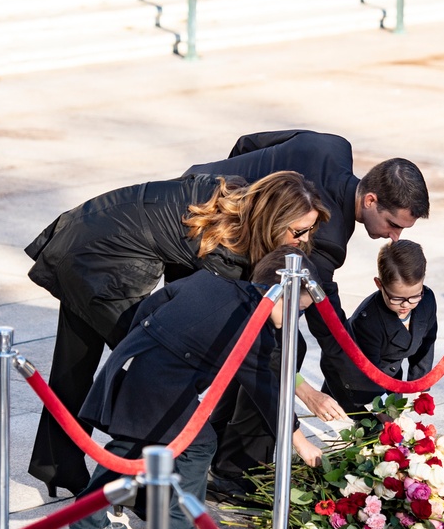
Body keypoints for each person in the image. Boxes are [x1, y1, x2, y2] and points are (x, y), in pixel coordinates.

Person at [24, 171, 329, 497]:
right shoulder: (227, 246)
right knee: (158, 372)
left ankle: (57, 464)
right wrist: (297, 419)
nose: (305, 240)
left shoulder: (241, 201)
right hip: (101, 261)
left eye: (311, 229)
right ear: (272, 221)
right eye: (298, 231)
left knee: (77, 365)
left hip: (86, 235)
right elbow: (253, 352)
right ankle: (122, 486)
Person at [66, 247, 324, 529]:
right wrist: (301, 441)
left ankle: (85, 521)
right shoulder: (253, 329)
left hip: (142, 360)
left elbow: (152, 305)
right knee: (198, 444)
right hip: (164, 380)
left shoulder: (211, 282)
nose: (299, 317)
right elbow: (265, 392)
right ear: (276, 293)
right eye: (298, 309)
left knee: (132, 445)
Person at [182, 130, 430, 415]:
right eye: (392, 224)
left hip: (192, 185)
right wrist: (367, 391)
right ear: (370, 200)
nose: (395, 237)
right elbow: (327, 322)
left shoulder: (333, 146)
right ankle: (235, 451)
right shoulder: (327, 238)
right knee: (280, 348)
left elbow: (247, 144)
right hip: (198, 237)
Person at [322, 240, 438, 414]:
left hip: (390, 374)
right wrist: (383, 412)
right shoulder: (368, 321)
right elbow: (369, 372)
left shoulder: (426, 300)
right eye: (397, 298)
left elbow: (426, 344)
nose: (406, 304)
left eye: (414, 296)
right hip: (355, 380)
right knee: (375, 428)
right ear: (379, 284)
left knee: (397, 427)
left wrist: (419, 387)